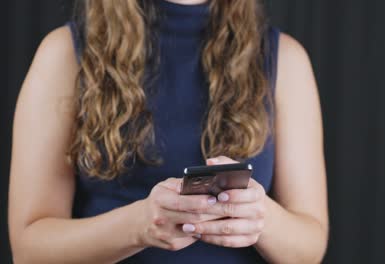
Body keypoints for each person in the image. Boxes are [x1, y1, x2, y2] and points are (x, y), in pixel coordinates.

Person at [8, 0, 328, 263]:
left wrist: (263, 220)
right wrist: (139, 227)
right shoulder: (65, 53)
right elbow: (30, 249)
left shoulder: (284, 58)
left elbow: (309, 247)